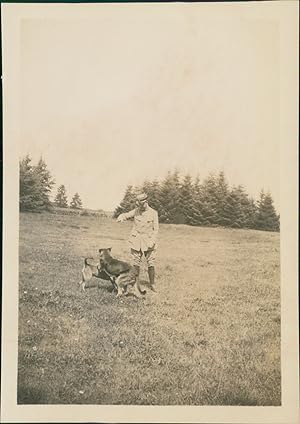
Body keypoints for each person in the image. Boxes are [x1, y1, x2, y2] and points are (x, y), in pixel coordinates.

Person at [116, 192, 159, 292]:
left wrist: (152, 241)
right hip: (136, 240)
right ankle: (136, 283)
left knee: (151, 262)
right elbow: (126, 215)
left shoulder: (153, 213)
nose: (140, 207)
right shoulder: (136, 211)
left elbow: (156, 229)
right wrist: (121, 217)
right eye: (138, 205)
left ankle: (152, 284)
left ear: (146, 202)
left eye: (141, 204)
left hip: (148, 241)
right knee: (136, 263)